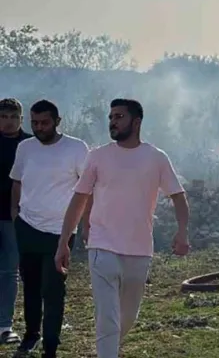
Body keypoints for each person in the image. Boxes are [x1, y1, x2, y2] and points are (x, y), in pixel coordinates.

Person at [54, 98, 190, 358]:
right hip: (102, 244)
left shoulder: (156, 157)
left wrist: (182, 231)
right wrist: (63, 243)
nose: (113, 122)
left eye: (119, 117)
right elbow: (79, 199)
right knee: (108, 317)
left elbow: (178, 196)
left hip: (139, 249)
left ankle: (109, 349)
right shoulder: (97, 156)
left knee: (127, 318)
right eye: (111, 117)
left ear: (136, 122)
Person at [9, 100, 89, 358]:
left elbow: (86, 189)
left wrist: (86, 223)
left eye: (44, 122)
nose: (39, 127)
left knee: (53, 289)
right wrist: (15, 213)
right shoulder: (25, 147)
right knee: (30, 285)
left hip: (60, 231)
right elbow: (17, 182)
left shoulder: (76, 148)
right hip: (27, 226)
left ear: (57, 121)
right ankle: (31, 335)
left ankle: (51, 345)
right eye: (34, 123)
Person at [0, 98, 32, 346]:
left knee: (10, 272)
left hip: (16, 217)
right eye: (4, 117)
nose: (8, 122)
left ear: (21, 119)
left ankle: (4, 326)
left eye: (13, 117)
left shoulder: (31, 144)